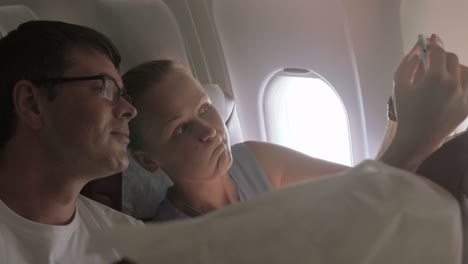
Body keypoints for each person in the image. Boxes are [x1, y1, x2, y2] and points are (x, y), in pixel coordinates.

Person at [123, 34, 468, 222]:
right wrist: (418, 135)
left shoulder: (251, 159)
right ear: (149, 161)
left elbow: (363, 181)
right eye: (180, 128)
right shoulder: (171, 241)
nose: (209, 130)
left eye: (204, 108)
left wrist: (397, 114)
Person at [0, 20, 141, 263]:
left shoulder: (132, 242)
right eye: (105, 89)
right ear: (31, 104)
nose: (130, 110)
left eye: (124, 95)